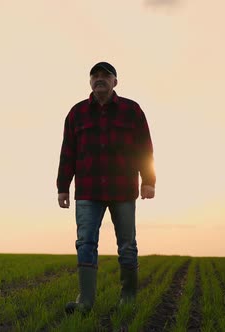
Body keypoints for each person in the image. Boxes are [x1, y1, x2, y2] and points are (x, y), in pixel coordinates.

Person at [56, 61, 156, 314]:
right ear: (90, 82)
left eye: (106, 75)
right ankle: (85, 301)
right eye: (95, 76)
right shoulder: (76, 113)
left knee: (127, 245)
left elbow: (144, 148)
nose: (100, 79)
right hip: (88, 191)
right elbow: (68, 152)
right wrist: (63, 186)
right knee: (86, 242)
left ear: (115, 82)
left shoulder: (132, 110)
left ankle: (128, 298)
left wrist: (149, 180)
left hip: (123, 189)